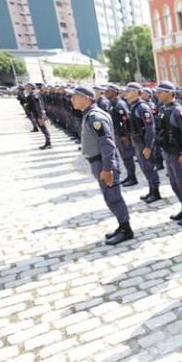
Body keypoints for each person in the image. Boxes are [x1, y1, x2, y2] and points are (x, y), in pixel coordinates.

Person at [71, 85, 133, 245]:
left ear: (86, 98)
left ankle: (126, 229)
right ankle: (121, 225)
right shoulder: (89, 114)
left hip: (103, 162)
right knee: (109, 196)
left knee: (113, 197)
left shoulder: (95, 117)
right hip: (97, 162)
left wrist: (107, 169)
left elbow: (107, 144)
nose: (72, 99)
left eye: (75, 96)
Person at [155, 80, 182, 226]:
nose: (158, 94)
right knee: (174, 184)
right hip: (168, 152)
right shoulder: (164, 109)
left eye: (161, 92)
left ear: (170, 93)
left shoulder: (179, 111)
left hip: (179, 153)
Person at [124, 82, 161, 203]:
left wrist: (148, 146)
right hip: (137, 142)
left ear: (136, 92)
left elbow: (150, 128)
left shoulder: (142, 107)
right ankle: (151, 190)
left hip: (144, 143)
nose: (126, 93)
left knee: (149, 167)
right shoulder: (133, 106)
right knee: (144, 167)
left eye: (129, 91)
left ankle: (155, 192)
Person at [105, 84, 138, 186]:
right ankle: (129, 175)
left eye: (108, 91)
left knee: (127, 156)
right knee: (124, 156)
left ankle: (133, 177)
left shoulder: (120, 104)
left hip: (122, 135)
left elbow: (125, 120)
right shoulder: (112, 103)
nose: (106, 92)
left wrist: (125, 135)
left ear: (115, 92)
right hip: (117, 134)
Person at [23, 83, 51, 149]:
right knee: (42, 129)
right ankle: (47, 143)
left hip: (38, 114)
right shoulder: (31, 94)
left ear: (31, 87)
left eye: (27, 87)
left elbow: (38, 106)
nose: (25, 88)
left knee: (44, 129)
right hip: (36, 114)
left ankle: (48, 143)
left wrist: (40, 116)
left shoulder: (34, 95)